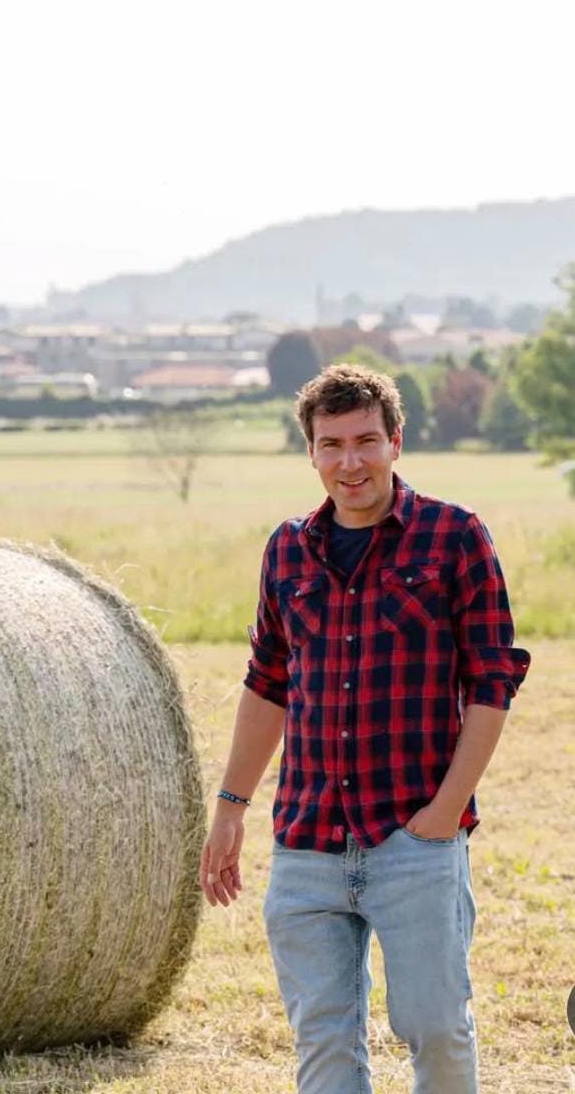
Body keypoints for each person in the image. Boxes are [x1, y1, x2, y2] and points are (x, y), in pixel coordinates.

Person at [200, 364, 530, 1094]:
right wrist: (231, 806)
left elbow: (492, 682)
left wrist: (442, 816)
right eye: (332, 445)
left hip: (413, 839)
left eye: (366, 442)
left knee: (437, 1031)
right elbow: (267, 682)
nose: (350, 462)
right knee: (322, 1044)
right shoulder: (286, 550)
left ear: (396, 443)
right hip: (307, 843)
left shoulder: (454, 537)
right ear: (311, 453)